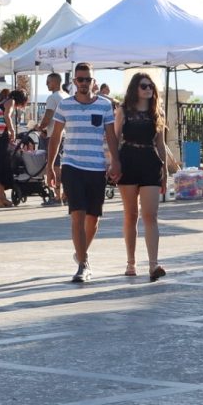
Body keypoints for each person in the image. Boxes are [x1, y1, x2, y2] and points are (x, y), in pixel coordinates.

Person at [46, 63, 121, 284]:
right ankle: (83, 264)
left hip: (96, 167)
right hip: (72, 166)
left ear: (93, 81)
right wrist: (51, 166)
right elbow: (56, 136)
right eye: (80, 79)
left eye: (87, 79)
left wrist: (115, 161)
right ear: (74, 82)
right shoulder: (65, 105)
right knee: (77, 214)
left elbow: (111, 136)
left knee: (93, 218)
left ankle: (80, 253)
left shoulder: (105, 105)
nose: (84, 83)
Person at [115, 73, 168, 281]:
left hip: (149, 161)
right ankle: (131, 262)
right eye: (144, 86)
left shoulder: (157, 112)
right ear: (135, 89)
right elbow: (115, 137)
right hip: (128, 159)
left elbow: (161, 144)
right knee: (130, 215)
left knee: (150, 214)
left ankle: (154, 264)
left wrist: (165, 172)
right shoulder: (123, 110)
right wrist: (113, 162)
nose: (148, 89)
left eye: (151, 86)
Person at [37, 72, 69, 205]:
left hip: (55, 134)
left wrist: (40, 127)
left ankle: (57, 196)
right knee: (63, 165)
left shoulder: (53, 97)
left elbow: (48, 115)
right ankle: (65, 194)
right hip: (67, 134)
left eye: (48, 82)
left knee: (55, 165)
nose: (46, 84)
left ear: (55, 82)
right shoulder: (67, 96)